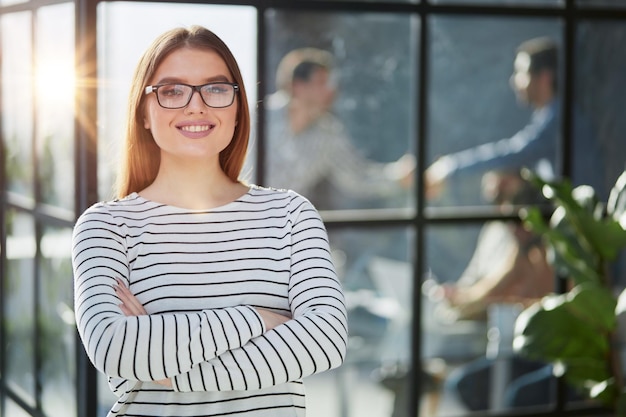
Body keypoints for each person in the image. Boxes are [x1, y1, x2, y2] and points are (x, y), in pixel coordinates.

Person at [71, 26, 347, 417]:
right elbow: (115, 348)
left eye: (215, 89)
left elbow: (326, 341)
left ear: (237, 108)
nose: (196, 106)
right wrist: (260, 319)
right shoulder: (107, 226)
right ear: (144, 113)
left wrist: (166, 370)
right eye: (172, 91)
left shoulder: (291, 215)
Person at [426, 36, 605, 202]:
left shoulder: (559, 119)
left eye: (521, 73)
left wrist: (452, 167)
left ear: (544, 78)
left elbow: (514, 152)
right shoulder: (552, 116)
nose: (514, 81)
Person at [264, 47, 414, 209]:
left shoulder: (327, 133)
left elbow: (356, 176)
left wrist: (399, 177)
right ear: (298, 86)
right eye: (322, 83)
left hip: (279, 226)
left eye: (331, 84)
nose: (331, 91)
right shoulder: (256, 118)